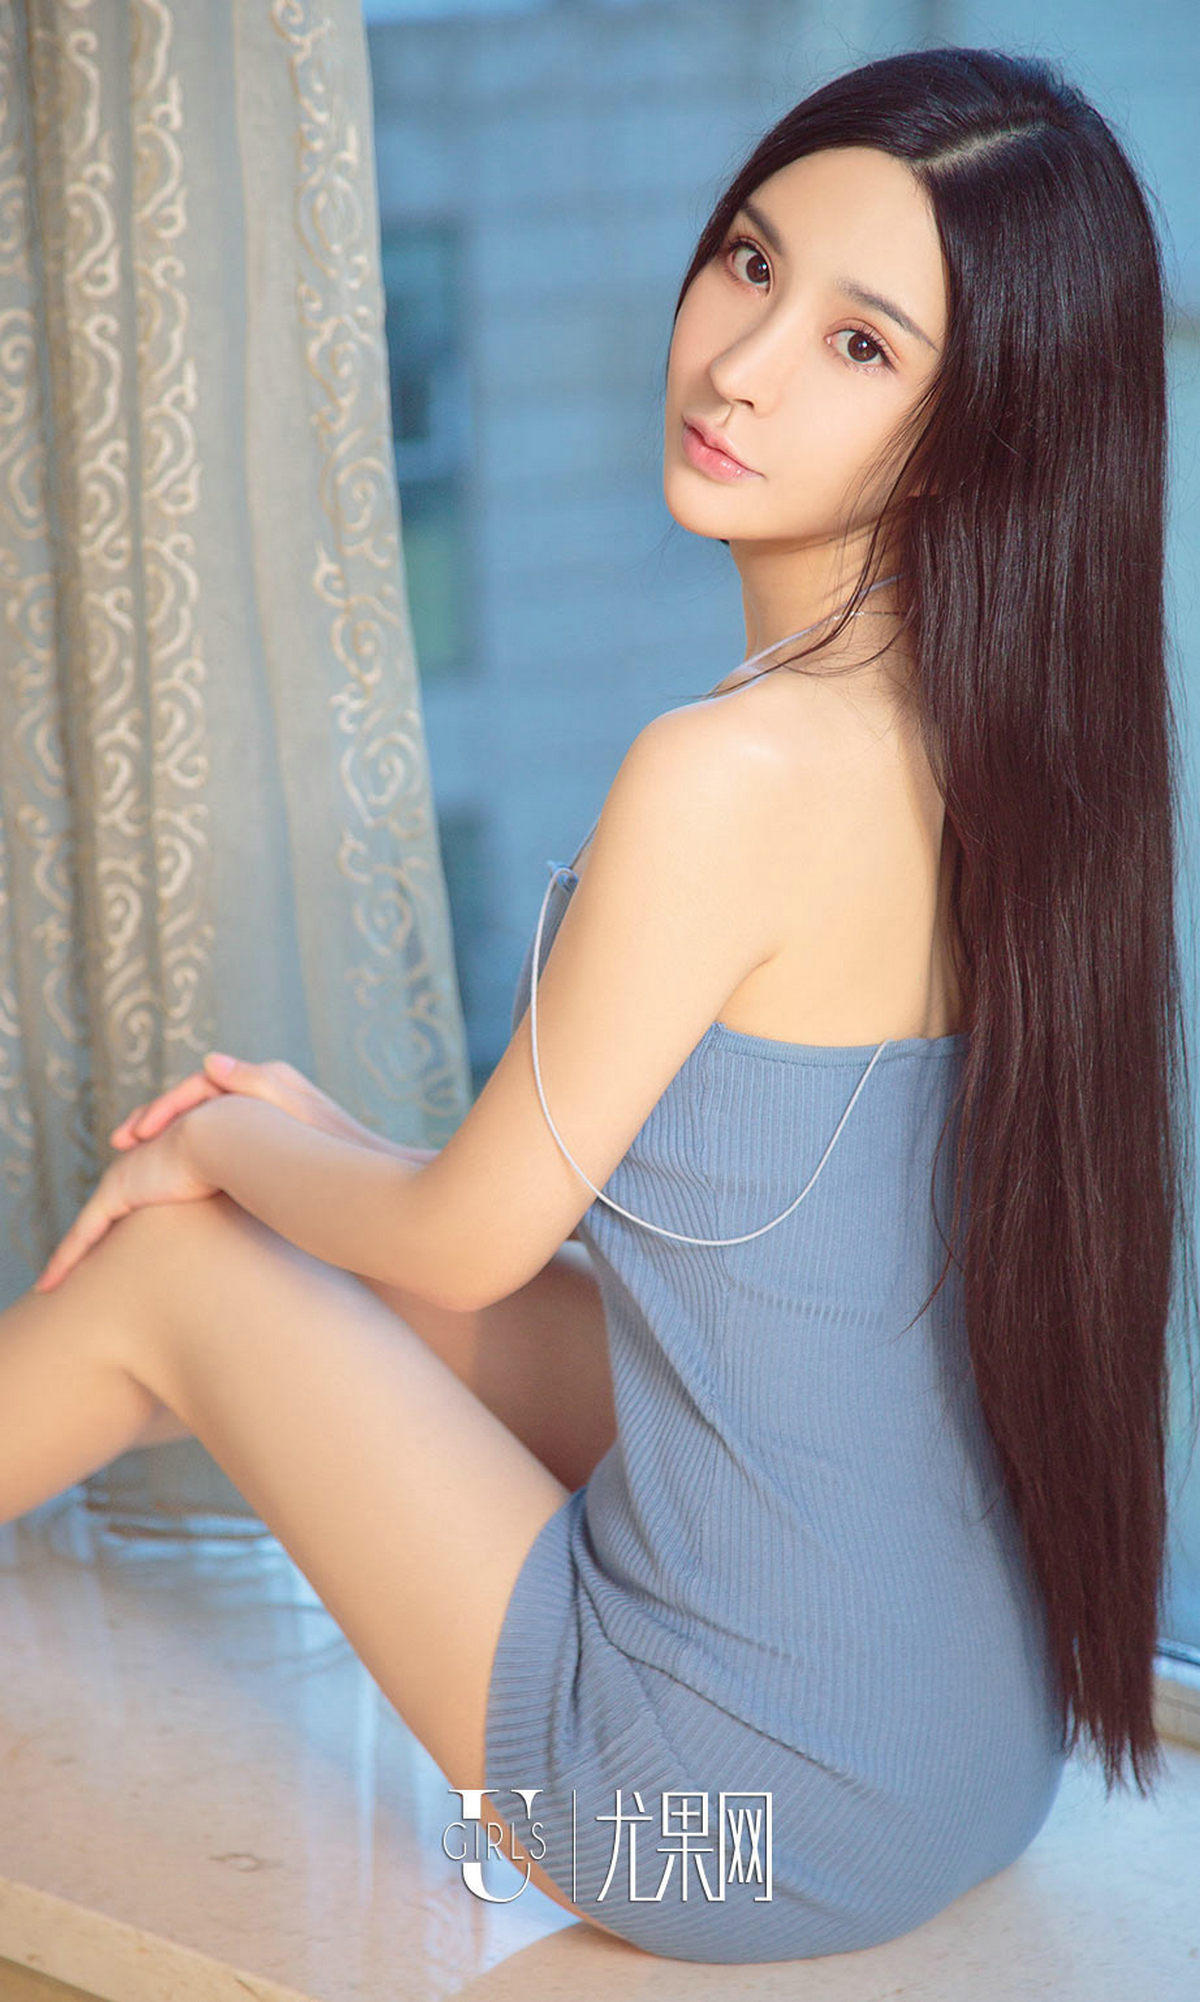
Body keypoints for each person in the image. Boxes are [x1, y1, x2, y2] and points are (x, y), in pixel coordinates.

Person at [4, 43, 1196, 1967]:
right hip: (976, 1763)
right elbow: (668, 1253)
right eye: (751, 262)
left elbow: (467, 1238)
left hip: (715, 1818)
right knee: (318, 1237)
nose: (742, 365)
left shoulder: (730, 771)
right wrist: (312, 1141)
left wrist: (212, 1139)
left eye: (861, 345)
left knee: (177, 1269)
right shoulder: (1009, 750)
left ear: (984, 431)